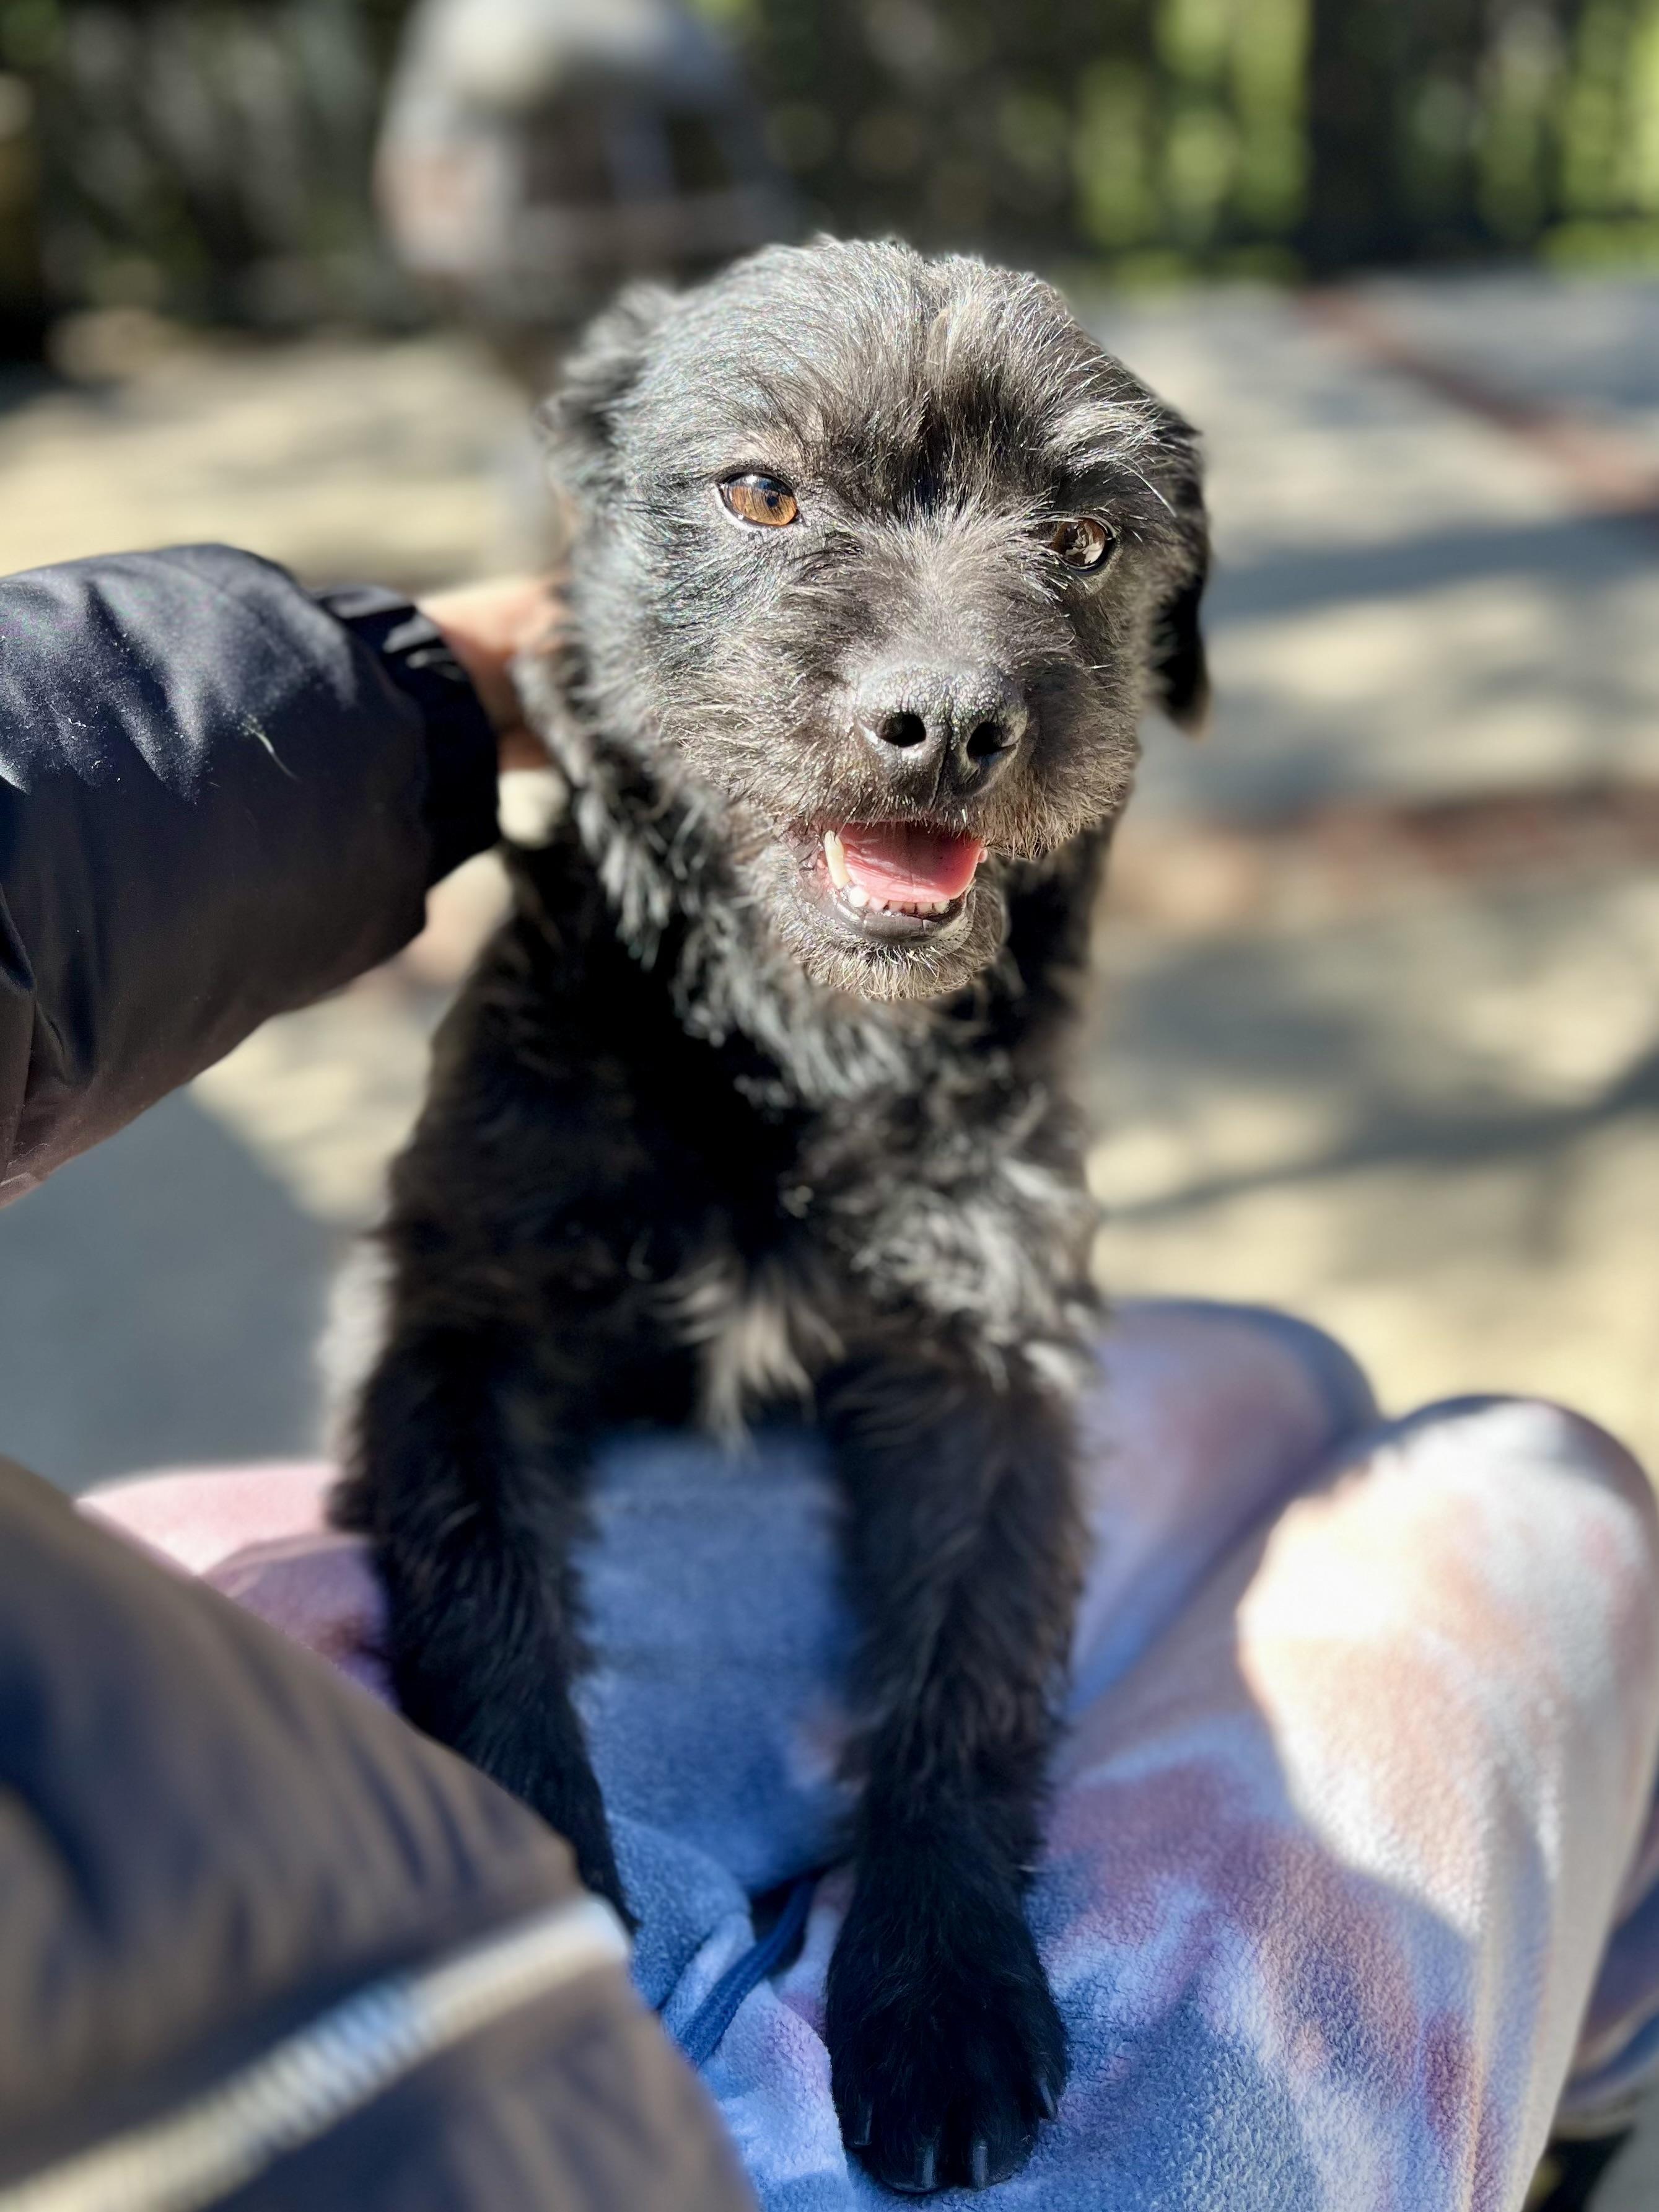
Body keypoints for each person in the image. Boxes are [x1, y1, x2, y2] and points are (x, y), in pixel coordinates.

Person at [1, 546, 1656, 2212]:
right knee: (1525, 1479)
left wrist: (422, 678)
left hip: (187, 1740)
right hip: (465, 2084)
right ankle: (1577, 2112)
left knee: (1255, 1374)